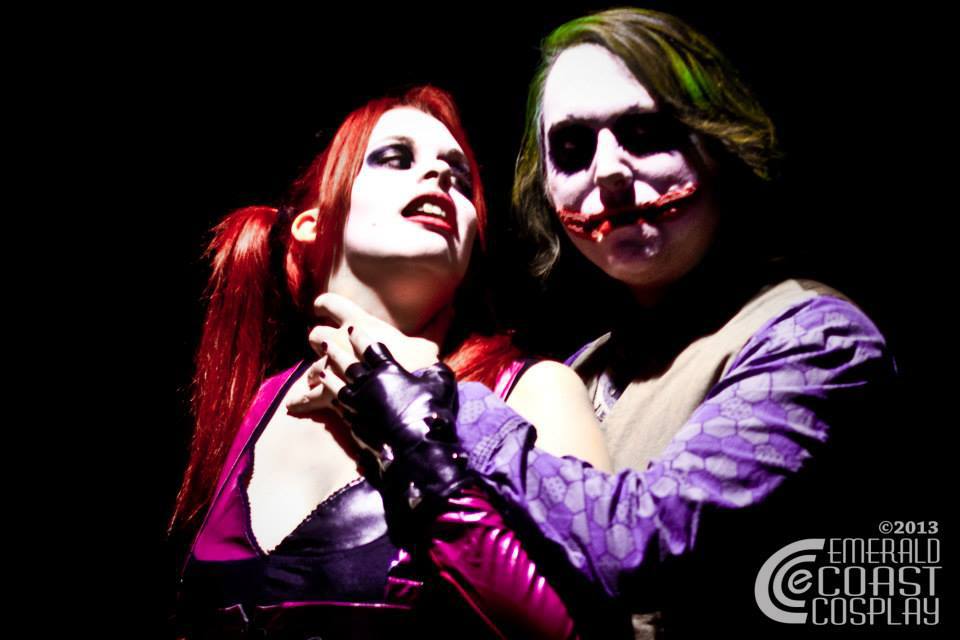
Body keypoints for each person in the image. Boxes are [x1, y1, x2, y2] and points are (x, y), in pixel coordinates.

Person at [308, 9, 897, 638]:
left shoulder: (819, 339)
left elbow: (645, 544)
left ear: (721, 144)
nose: (608, 172)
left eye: (645, 133)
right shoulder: (580, 371)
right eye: (572, 149)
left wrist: (436, 401)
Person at [170, 85, 610, 639]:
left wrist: (419, 443)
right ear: (312, 223)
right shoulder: (255, 405)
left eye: (461, 177)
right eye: (396, 158)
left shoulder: (534, 391)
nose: (441, 175)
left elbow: (594, 629)